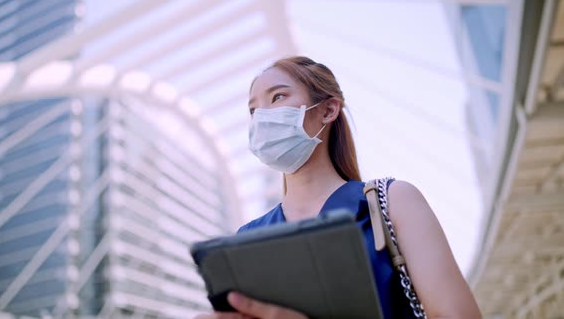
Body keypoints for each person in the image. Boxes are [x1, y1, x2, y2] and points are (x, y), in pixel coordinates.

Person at [195, 56, 481, 319]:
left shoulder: (390, 201)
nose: (261, 118)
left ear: (328, 110)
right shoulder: (247, 239)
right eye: (253, 110)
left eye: (278, 97)